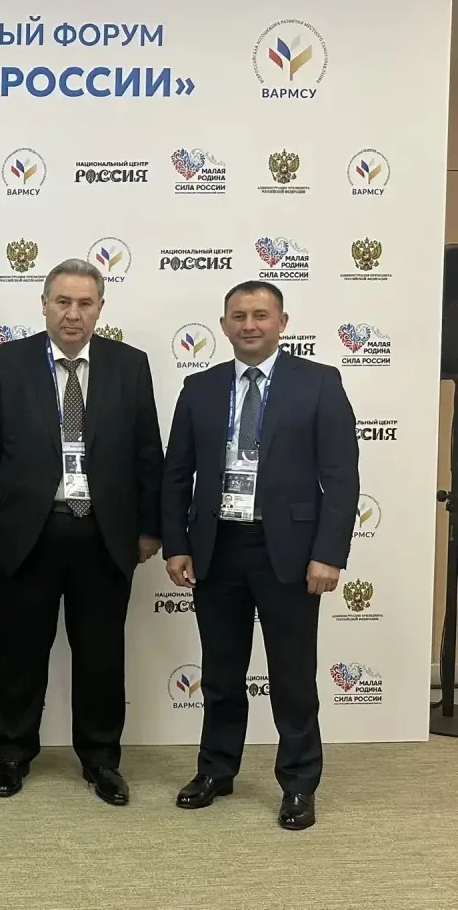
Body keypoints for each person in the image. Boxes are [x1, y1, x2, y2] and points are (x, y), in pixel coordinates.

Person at [0, 257, 163, 805]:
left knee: (101, 656)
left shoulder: (130, 364)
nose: (73, 314)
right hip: (27, 534)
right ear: (44, 305)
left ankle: (101, 760)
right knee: (19, 651)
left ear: (100, 309)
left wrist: (150, 528)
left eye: (85, 303)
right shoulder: (5, 363)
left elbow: (148, 451)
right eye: (63, 302)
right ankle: (13, 753)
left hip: (105, 535)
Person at [162, 280, 358, 832]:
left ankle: (298, 783)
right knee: (221, 673)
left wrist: (329, 554)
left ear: (282, 322)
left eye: (261, 315)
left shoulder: (319, 383)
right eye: (239, 316)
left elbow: (341, 477)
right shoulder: (199, 388)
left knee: (292, 677)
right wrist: (176, 544)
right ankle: (216, 770)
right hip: (217, 548)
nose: (249, 325)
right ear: (224, 324)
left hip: (290, 554)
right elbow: (176, 474)